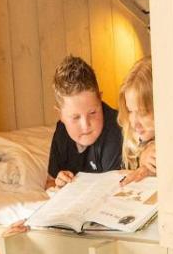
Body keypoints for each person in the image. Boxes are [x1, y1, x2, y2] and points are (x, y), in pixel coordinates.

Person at [45, 55, 124, 189]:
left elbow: (112, 190)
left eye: (92, 113)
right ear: (60, 115)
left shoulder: (116, 130)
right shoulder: (61, 132)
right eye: (75, 117)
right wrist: (59, 185)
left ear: (100, 99)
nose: (86, 125)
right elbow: (49, 183)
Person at [118, 57, 157, 183]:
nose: (134, 123)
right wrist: (142, 157)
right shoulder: (131, 135)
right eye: (130, 110)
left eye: (143, 113)